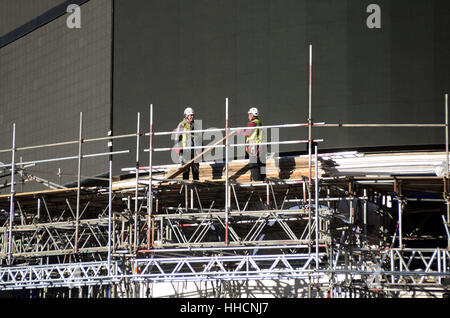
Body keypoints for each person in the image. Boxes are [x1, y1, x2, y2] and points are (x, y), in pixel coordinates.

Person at [238, 107, 265, 181]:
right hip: (260, 146)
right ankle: (263, 180)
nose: (248, 116)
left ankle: (257, 182)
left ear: (252, 115)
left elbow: (247, 133)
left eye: (249, 114)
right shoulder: (259, 122)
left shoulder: (252, 123)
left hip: (254, 146)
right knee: (261, 164)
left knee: (253, 165)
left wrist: (240, 131)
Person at [175, 107, 200, 180]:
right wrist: (178, 147)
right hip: (185, 151)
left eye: (192, 115)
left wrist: (200, 150)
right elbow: (177, 137)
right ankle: (185, 189)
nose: (191, 117)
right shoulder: (182, 125)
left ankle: (196, 188)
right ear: (186, 116)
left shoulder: (196, 125)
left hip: (194, 151)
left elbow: (199, 138)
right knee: (186, 171)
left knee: (196, 170)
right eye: (189, 115)